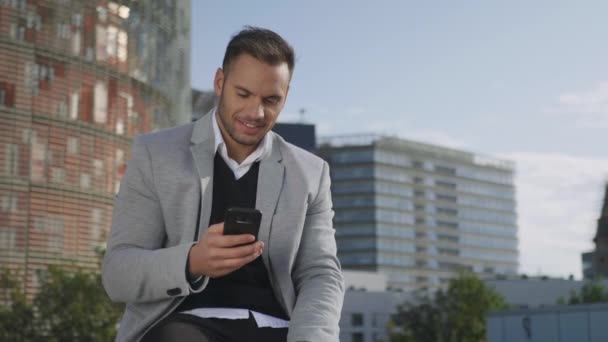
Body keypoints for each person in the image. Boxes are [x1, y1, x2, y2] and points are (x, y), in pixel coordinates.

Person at [102, 26, 345, 342]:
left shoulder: (311, 173)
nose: (255, 113)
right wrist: (193, 261)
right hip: (183, 326)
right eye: (243, 94)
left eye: (271, 100)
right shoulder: (156, 154)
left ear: (285, 98)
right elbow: (118, 273)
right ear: (220, 82)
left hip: (279, 330)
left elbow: (321, 273)